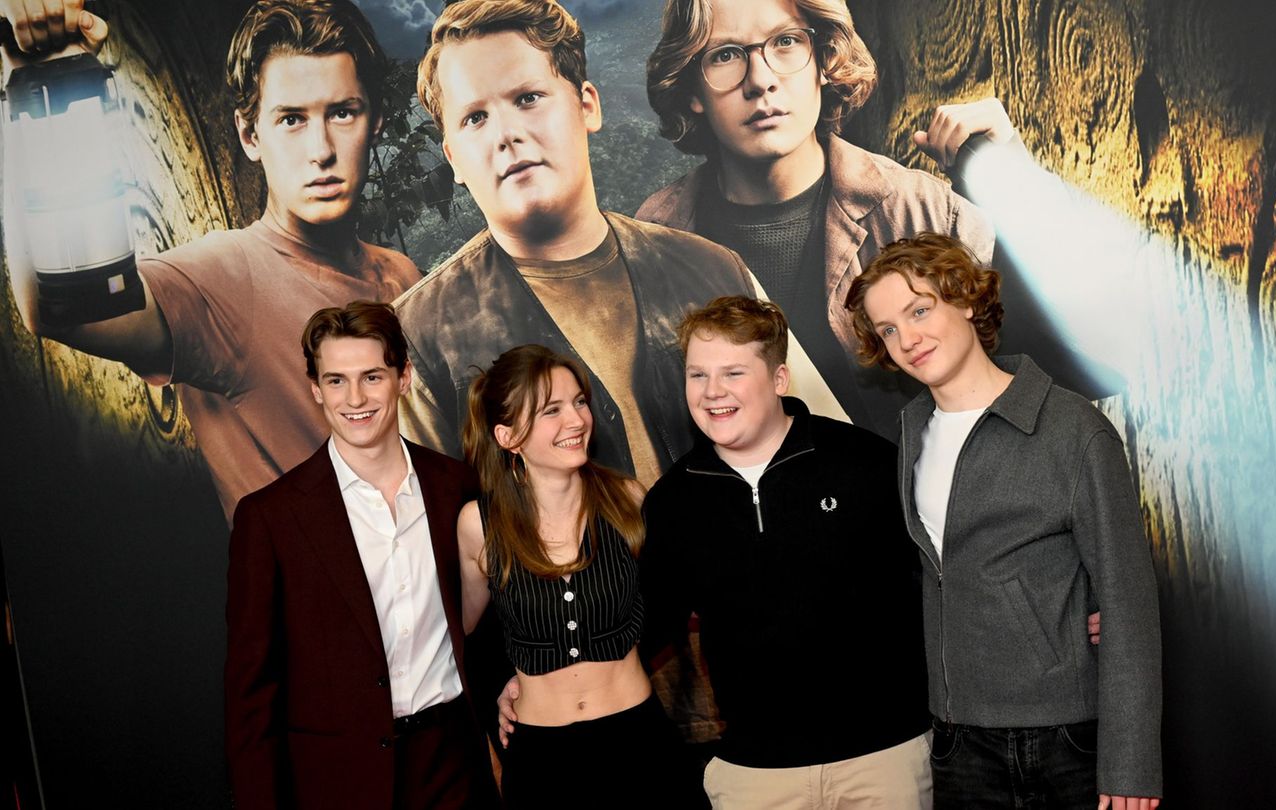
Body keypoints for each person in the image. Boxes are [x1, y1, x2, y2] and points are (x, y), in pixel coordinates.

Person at [0, 0, 418, 522]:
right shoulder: (226, 276)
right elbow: (58, 310)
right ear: (250, 135)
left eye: (342, 112)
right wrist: (32, 78)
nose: (321, 149)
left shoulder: (401, 276)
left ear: (375, 121)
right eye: (291, 119)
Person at [638, 0, 1105, 437]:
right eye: (725, 55)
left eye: (786, 42)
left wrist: (1020, 184)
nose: (761, 80)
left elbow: (1085, 369)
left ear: (824, 60)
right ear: (692, 90)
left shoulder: (920, 211)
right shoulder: (653, 238)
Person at [846, 232, 1162, 810]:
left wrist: (1131, 765)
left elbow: (1128, 602)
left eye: (919, 311)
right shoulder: (912, 432)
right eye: (888, 329)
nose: (907, 340)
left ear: (966, 300)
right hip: (957, 738)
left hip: (1064, 736)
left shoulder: (1072, 429)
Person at [396, 0, 761, 488]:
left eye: (528, 98)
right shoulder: (416, 338)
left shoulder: (715, 272)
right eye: (475, 118)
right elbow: (433, 525)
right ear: (453, 159)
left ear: (587, 105)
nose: (507, 134)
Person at [640, 295, 933, 806]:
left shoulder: (865, 463)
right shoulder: (673, 501)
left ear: (779, 379)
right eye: (698, 375)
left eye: (733, 373)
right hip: (755, 773)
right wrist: (536, 685)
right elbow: (645, 628)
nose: (712, 392)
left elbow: (940, 585)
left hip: (883, 758)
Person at [225, 301, 497, 809]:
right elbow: (251, 692)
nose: (355, 399)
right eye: (336, 381)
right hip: (339, 779)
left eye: (372, 377)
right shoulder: (270, 518)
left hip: (454, 763)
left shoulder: (455, 486)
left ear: (403, 378)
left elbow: (486, 618)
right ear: (316, 389)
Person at [456, 343, 693, 807]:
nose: (577, 420)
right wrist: (502, 683)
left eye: (579, 402)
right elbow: (464, 633)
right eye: (552, 410)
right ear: (508, 437)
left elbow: (668, 602)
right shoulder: (479, 526)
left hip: (639, 743)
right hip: (542, 760)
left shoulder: (627, 500)